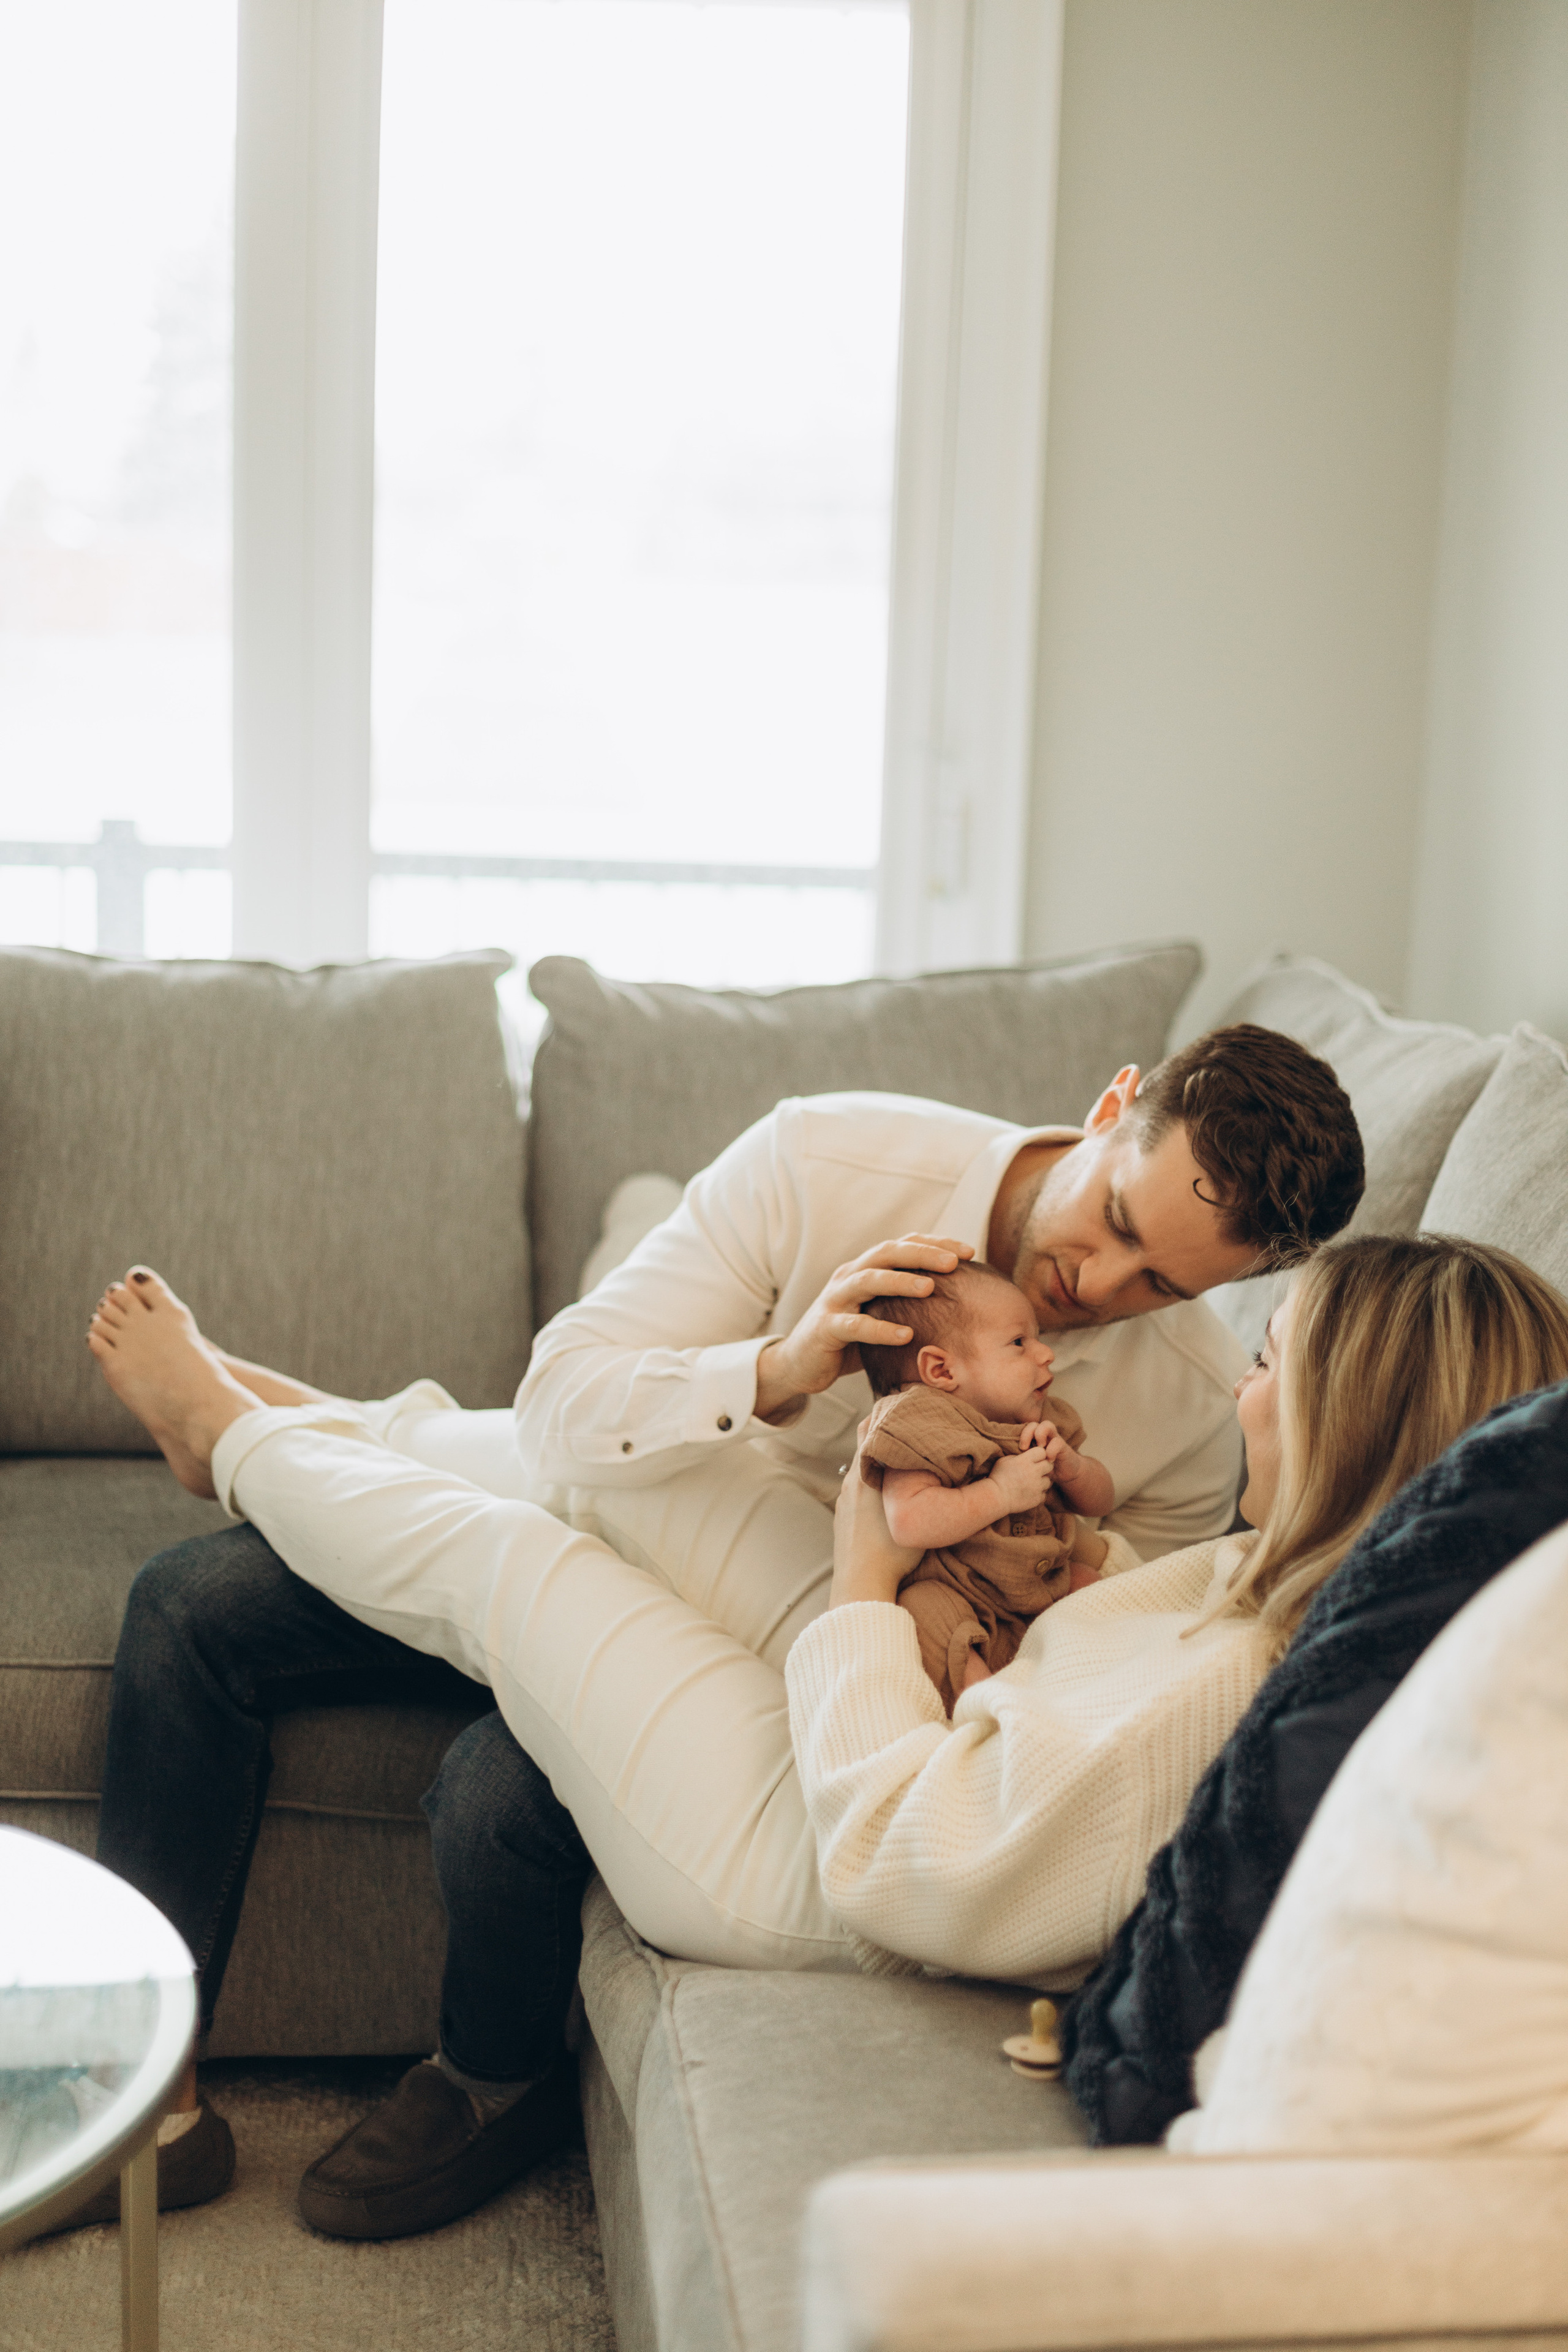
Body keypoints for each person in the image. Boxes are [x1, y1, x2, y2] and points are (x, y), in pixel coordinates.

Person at [85, 1026, 1366, 2237]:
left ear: (1236, 1287)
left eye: (1158, 1286)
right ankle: (150, 2094)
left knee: (498, 1779)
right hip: (640, 1497)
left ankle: (491, 2074)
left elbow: (1081, 1672)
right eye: (1115, 1225)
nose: (1094, 1285)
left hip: (819, 1670)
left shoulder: (1198, 1408)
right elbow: (560, 1410)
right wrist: (774, 1370)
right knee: (193, 1603)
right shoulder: (832, 1161)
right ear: (1107, 1109)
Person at [857, 1261, 1113, 1708]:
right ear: (941, 1371)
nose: (1046, 1353)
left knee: (1092, 1582)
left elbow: (1102, 1502)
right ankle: (993, 1708)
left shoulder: (1041, 1419)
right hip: (961, 1596)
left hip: (1042, 1583)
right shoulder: (920, 1421)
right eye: (1019, 1343)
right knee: (926, 1612)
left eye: (1037, 1338)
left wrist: (1073, 1469)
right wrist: (998, 1494)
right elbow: (909, 1521)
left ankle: (1101, 1682)